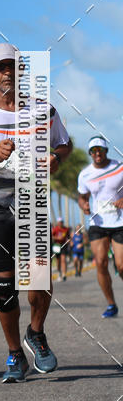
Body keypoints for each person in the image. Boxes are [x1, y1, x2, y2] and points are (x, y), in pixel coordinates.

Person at [0, 43, 72, 382]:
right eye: (1, 67)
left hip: (32, 200)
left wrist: (56, 159)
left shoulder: (42, 110)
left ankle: (35, 332)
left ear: (22, 72)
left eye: (14, 66)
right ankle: (14, 354)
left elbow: (64, 144)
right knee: (5, 288)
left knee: (40, 280)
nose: (8, 72)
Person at [77, 136, 123, 317]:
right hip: (98, 223)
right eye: (94, 150)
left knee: (121, 265)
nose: (97, 153)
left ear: (106, 151)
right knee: (101, 264)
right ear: (90, 153)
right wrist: (84, 206)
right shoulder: (85, 174)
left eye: (100, 150)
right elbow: (82, 197)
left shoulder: (119, 167)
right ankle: (111, 304)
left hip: (120, 222)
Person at [51, 217, 71, 282]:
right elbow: (51, 236)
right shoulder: (55, 229)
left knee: (63, 259)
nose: (60, 223)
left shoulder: (66, 229)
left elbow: (69, 237)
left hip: (63, 245)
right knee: (58, 261)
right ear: (58, 223)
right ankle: (59, 272)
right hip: (57, 245)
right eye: (59, 222)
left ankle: (64, 274)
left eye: (62, 222)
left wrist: (69, 241)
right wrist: (57, 238)